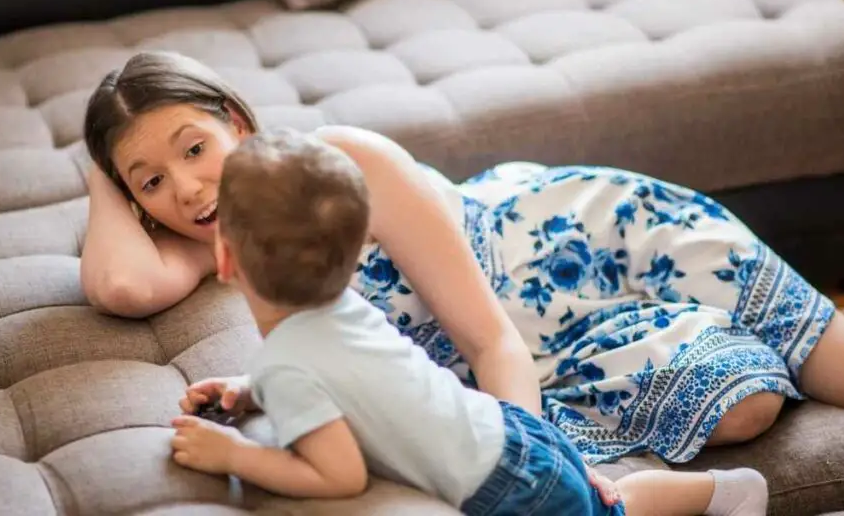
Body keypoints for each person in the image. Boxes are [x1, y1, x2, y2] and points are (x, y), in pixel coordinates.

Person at [80, 50, 844, 469]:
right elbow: (120, 283)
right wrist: (103, 178)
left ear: (237, 123)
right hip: (552, 348)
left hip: (599, 243)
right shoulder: (210, 236)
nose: (186, 188)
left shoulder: (340, 163)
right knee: (742, 406)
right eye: (151, 182)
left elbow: (489, 340)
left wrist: (528, 468)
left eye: (196, 148)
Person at [166, 128, 769, 516]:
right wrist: (251, 392)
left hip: (505, 479)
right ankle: (721, 492)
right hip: (503, 423)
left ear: (223, 260)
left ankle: (725, 494)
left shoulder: (286, 360)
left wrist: (233, 457)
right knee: (600, 500)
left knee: (610, 510)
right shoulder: (342, 308)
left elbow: (339, 475)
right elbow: (342, 372)